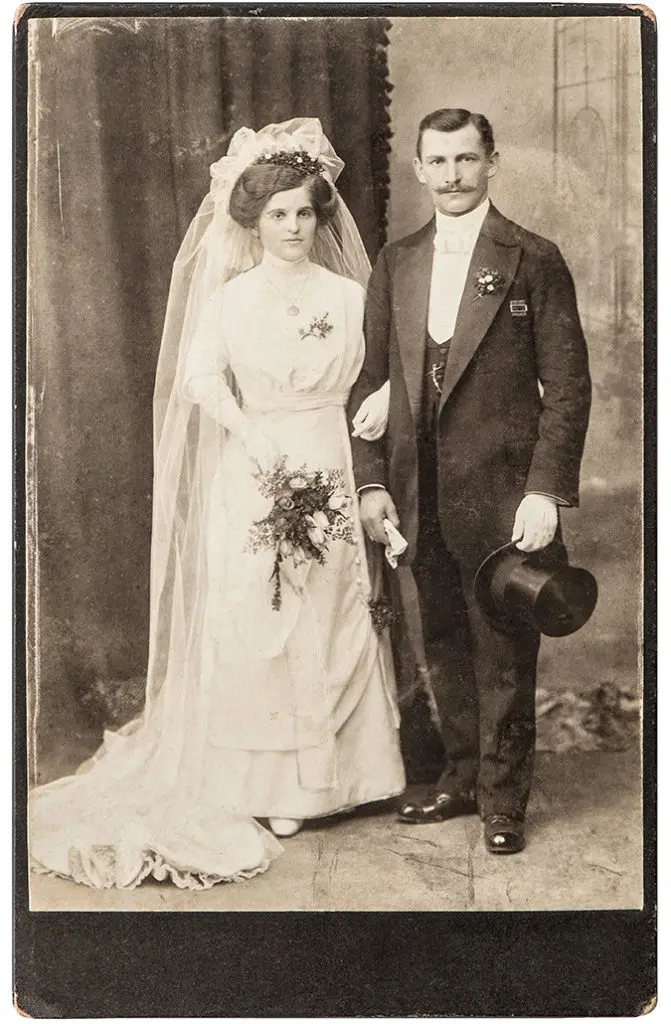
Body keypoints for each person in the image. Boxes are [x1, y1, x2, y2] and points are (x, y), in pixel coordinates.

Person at [30, 118, 405, 890]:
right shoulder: (232, 298)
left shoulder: (349, 292)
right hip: (256, 465)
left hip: (333, 459)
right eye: (278, 214)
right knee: (267, 616)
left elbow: (390, 366)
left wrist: (389, 394)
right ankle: (276, 789)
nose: (294, 227)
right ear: (254, 221)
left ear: (319, 215)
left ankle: (351, 780)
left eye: (305, 212)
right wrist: (249, 431)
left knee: (338, 605)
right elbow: (199, 379)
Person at [348, 108, 591, 855]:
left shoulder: (532, 257)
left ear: (492, 161)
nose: (451, 175)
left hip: (502, 500)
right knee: (444, 646)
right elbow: (368, 384)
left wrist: (544, 494)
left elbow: (569, 387)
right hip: (418, 497)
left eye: (465, 159)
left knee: (504, 655)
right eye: (437, 161)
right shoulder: (397, 261)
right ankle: (459, 778)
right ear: (419, 169)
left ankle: (503, 802)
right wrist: (371, 486)